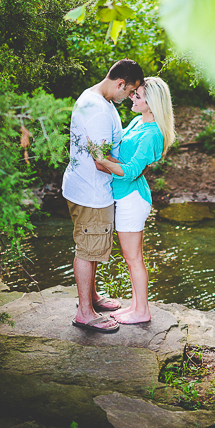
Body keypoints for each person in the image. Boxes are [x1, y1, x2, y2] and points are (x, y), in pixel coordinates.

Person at [62, 59, 144, 333]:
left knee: (92, 245)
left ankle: (92, 298)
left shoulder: (99, 99)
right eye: (130, 92)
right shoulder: (98, 109)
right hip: (90, 191)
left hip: (87, 187)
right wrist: (132, 169)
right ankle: (85, 313)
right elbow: (100, 160)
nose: (129, 97)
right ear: (120, 83)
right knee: (88, 249)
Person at [92, 76, 175, 324]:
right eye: (133, 93)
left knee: (134, 259)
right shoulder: (139, 121)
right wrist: (107, 158)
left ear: (152, 103)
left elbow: (130, 172)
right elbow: (123, 159)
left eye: (137, 95)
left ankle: (142, 312)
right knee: (132, 259)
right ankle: (136, 306)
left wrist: (101, 160)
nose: (132, 97)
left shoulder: (152, 134)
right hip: (124, 197)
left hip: (132, 199)